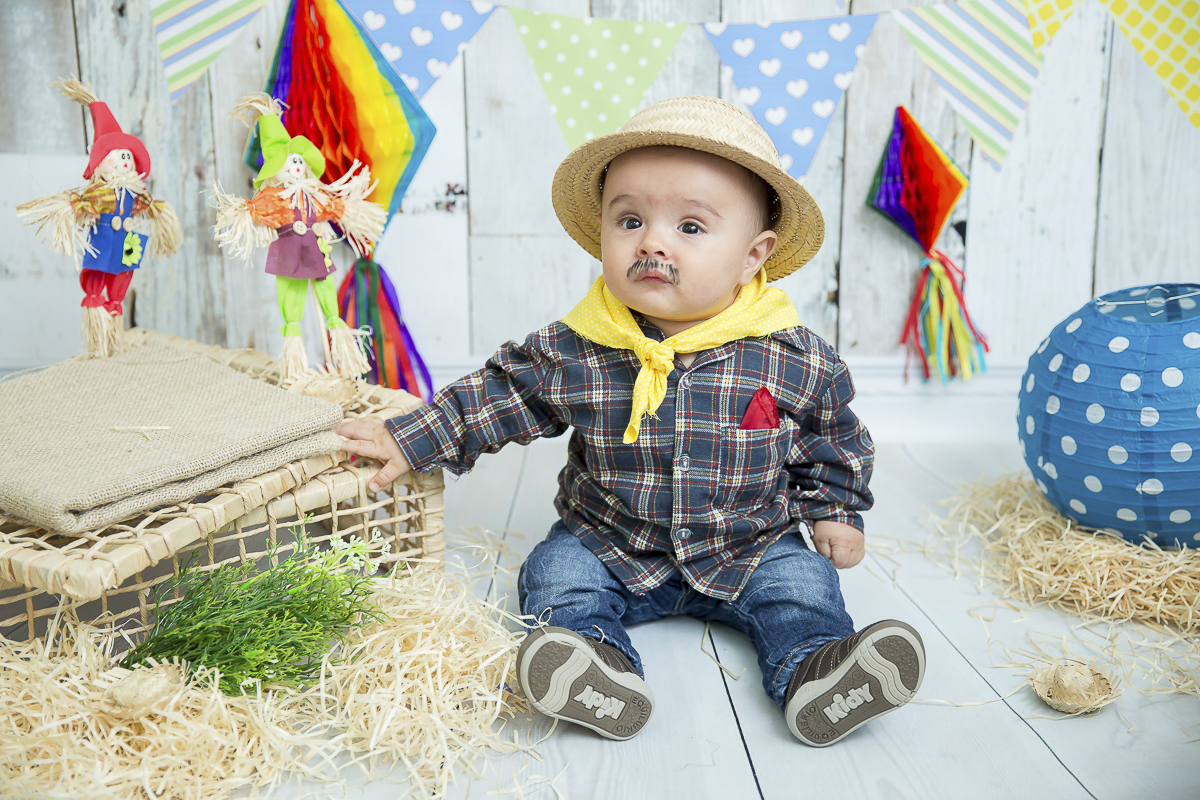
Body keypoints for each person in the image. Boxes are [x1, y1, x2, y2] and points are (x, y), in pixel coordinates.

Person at [337, 95, 925, 747]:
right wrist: (408, 437)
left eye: (691, 228)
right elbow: (499, 397)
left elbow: (831, 438)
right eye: (629, 220)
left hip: (748, 545)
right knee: (554, 575)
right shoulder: (579, 346)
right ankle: (595, 668)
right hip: (613, 541)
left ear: (754, 255)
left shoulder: (789, 354)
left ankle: (817, 670)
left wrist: (835, 510)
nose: (652, 242)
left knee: (803, 585)